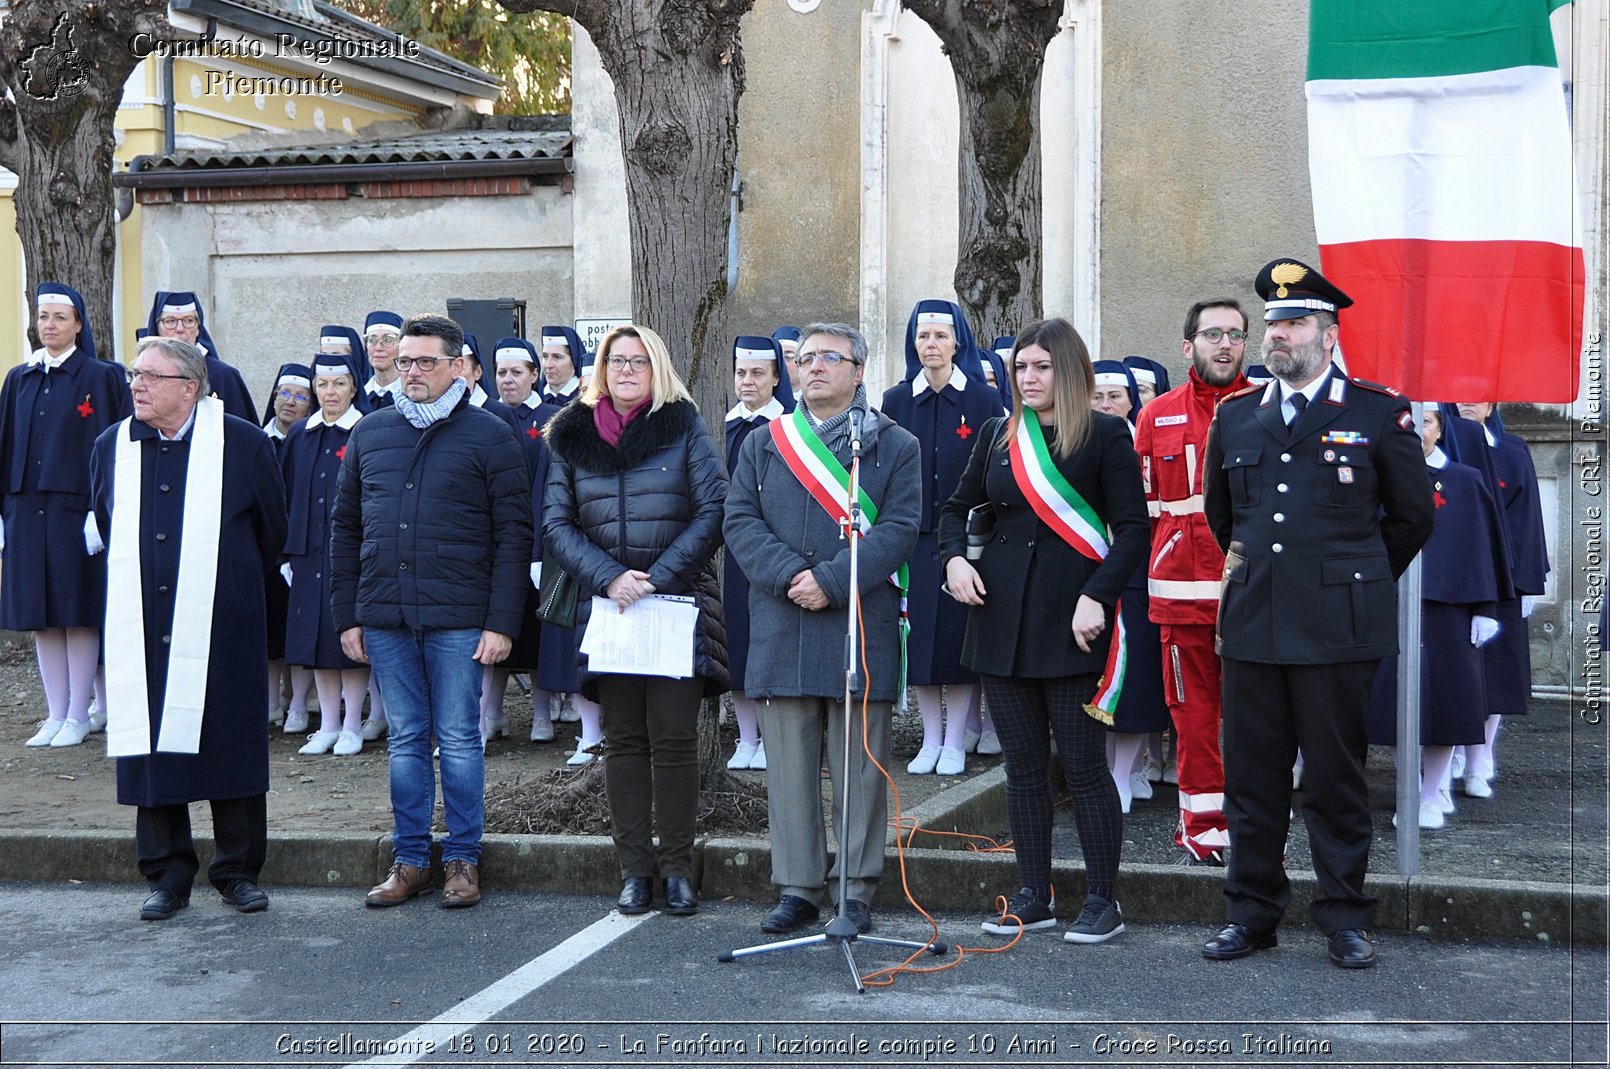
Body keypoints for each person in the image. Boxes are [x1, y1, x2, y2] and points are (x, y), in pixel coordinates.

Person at [1201, 258, 1433, 969]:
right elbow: (1221, 517)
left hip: (1337, 629)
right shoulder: (1239, 414)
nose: (1277, 334)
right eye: (1272, 322)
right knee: (1253, 779)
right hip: (1255, 624)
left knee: (1334, 780)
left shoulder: (1374, 410)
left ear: (1328, 335)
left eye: (1294, 321)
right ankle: (1253, 912)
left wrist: (1352, 580)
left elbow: (1412, 516)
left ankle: (1343, 916)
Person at [940, 317, 1148, 944]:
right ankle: (1034, 893)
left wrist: (1098, 596)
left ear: (1070, 369)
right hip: (1000, 619)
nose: (1028, 378)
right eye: (1020, 368)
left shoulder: (1107, 435)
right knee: (1024, 768)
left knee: (1083, 768)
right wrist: (952, 559)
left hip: (1073, 623)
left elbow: (1134, 530)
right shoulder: (998, 435)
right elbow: (955, 508)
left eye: (1041, 367)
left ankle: (1103, 900)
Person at [330, 314, 532, 910]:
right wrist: (349, 615)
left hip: (461, 618)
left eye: (425, 362)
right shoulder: (372, 433)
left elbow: (513, 536)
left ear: (457, 367)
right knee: (406, 741)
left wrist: (501, 623)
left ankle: (463, 860)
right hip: (387, 616)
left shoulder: (491, 434)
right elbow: (345, 529)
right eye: (404, 361)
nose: (410, 372)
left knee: (460, 740)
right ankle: (412, 859)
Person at [724, 322, 920, 936]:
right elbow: (740, 520)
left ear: (858, 371)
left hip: (857, 620)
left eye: (830, 358)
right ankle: (798, 887)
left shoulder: (894, 444)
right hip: (782, 617)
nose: (814, 368)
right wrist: (790, 576)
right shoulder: (763, 443)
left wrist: (832, 582)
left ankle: (855, 890)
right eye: (805, 359)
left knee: (859, 765)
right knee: (787, 763)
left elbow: (900, 528)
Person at [90, 336, 287, 920]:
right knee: (152, 749)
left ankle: (237, 871)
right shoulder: (113, 445)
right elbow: (108, 518)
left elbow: (272, 532)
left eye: (150, 377)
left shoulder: (244, 444)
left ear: (189, 388)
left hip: (224, 625)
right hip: (143, 626)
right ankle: (167, 874)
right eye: (134, 375)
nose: (137, 386)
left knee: (231, 743)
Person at [543, 324, 728, 917]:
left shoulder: (685, 428)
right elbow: (556, 525)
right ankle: (634, 872)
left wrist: (656, 578)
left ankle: (677, 870)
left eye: (638, 361)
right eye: (616, 360)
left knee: (674, 741)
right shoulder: (570, 436)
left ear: (657, 368)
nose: (626, 370)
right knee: (622, 741)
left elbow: (714, 510)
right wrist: (610, 579)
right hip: (609, 609)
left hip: (675, 607)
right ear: (602, 368)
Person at [1131, 298, 1252, 863]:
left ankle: (1255, 830)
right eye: (1212, 334)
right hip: (1179, 597)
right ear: (1189, 345)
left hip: (1254, 596)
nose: (1224, 344)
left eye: (1234, 334)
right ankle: (1202, 826)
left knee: (1257, 718)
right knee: (1194, 716)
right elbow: (1146, 506)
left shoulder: (1267, 407)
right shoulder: (1158, 414)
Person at [1365, 404, 1509, 829]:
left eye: (1424, 421)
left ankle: (1433, 792)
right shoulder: (1379, 480)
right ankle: (1413, 786)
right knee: (1394, 706)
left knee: (1444, 706)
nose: (1416, 430)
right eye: (1408, 423)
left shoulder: (1466, 481)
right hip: (1390, 606)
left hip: (1450, 612)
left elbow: (1483, 546)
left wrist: (1485, 609)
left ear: (1440, 428)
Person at [2, 282, 131, 747]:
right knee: (41, 614)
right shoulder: (19, 378)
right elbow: (5, 443)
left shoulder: (100, 377)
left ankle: (80, 713)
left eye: (59, 317)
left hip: (76, 512)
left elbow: (115, 447)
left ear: (78, 323)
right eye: (43, 318)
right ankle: (55, 713)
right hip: (25, 509)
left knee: (77, 611)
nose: (50, 326)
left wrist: (102, 510)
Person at [881, 300, 998, 778]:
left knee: (957, 638)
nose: (932, 345)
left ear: (957, 344)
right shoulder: (894, 401)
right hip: (911, 537)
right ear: (914, 342)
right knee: (921, 642)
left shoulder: (984, 401)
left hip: (966, 541)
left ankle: (955, 741)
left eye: (940, 337)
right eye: (924, 336)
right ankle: (930, 737)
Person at [1452, 401, 1550, 798]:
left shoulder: (1511, 450)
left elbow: (1527, 518)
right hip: (1452, 580)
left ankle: (1479, 759)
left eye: (1477, 393)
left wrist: (1528, 581)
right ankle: (1450, 751)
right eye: (1458, 393)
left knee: (1493, 676)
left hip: (1502, 577)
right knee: (1450, 676)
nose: (1467, 401)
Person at [280, 352, 370, 758]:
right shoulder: (301, 434)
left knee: (348, 640)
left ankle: (353, 724)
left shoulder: (364, 431)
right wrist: (286, 553)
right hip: (307, 553)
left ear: (354, 387)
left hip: (349, 554)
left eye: (338, 384)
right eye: (322, 384)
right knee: (315, 640)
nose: (329, 392)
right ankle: (328, 724)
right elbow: (283, 493)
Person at [484, 337, 564, 745]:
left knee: (537, 631)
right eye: (502, 373)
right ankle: (492, 713)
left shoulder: (553, 418)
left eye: (517, 372)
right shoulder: (488, 419)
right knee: (497, 626)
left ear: (534, 375)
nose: (509, 380)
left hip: (538, 540)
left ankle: (541, 713)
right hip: (498, 540)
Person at [722, 335, 796, 770]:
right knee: (737, 640)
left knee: (772, 639)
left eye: (756, 374)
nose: (747, 382)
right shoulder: (726, 424)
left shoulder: (788, 426)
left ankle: (772, 737)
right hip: (735, 550)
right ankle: (746, 736)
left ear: (774, 378)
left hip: (776, 548)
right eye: (741, 373)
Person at [258, 362, 314, 731]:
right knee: (268, 625)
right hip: (264, 545)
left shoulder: (310, 440)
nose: (289, 402)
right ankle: (269, 700)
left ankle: (298, 700)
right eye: (284, 393)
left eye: (299, 396)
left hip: (298, 545)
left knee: (297, 626)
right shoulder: (258, 439)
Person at [145, 291, 255, 422]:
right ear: (157, 329)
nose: (180, 329)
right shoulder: (143, 377)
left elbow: (244, 434)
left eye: (189, 320)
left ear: (198, 328)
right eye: (170, 321)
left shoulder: (224, 376)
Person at [362, 311, 404, 411]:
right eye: (372, 339)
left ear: (401, 346)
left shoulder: (411, 396)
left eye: (388, 340)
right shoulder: (359, 398)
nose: (378, 347)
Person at [538, 325, 587, 406]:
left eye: (557, 357)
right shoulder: (536, 399)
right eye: (545, 356)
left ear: (574, 360)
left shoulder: (585, 400)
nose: (548, 365)